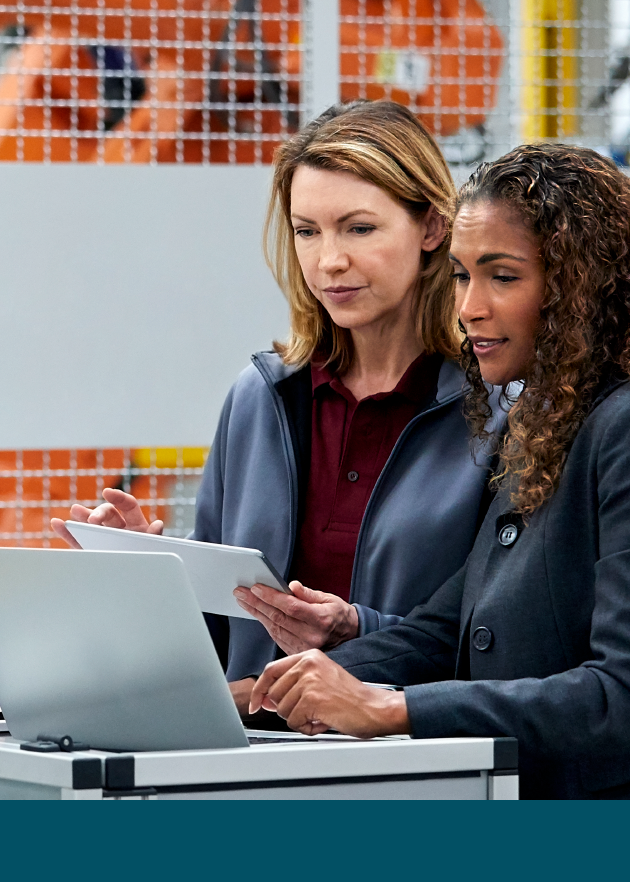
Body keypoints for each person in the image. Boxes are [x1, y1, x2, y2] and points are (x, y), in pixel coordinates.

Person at [247, 142, 630, 799]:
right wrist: (269, 692)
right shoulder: (552, 426)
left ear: (578, 287)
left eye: (502, 277)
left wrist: (394, 710)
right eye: (460, 276)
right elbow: (445, 631)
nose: (469, 307)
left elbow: (627, 696)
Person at [51, 101, 496, 706]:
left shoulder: (497, 412)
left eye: (358, 228)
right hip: (259, 765)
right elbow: (213, 642)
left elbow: (505, 642)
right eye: (306, 231)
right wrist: (142, 575)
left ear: (432, 229)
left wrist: (358, 630)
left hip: (425, 764)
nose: (327, 260)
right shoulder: (260, 400)